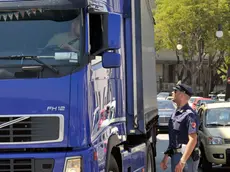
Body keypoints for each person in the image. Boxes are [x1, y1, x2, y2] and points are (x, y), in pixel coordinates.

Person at [160, 81, 200, 172]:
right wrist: (166, 156)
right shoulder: (175, 113)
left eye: (174, 91)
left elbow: (193, 140)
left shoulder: (189, 115)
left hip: (187, 158)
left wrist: (182, 162)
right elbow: (174, 139)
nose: (172, 93)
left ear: (181, 95)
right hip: (176, 156)